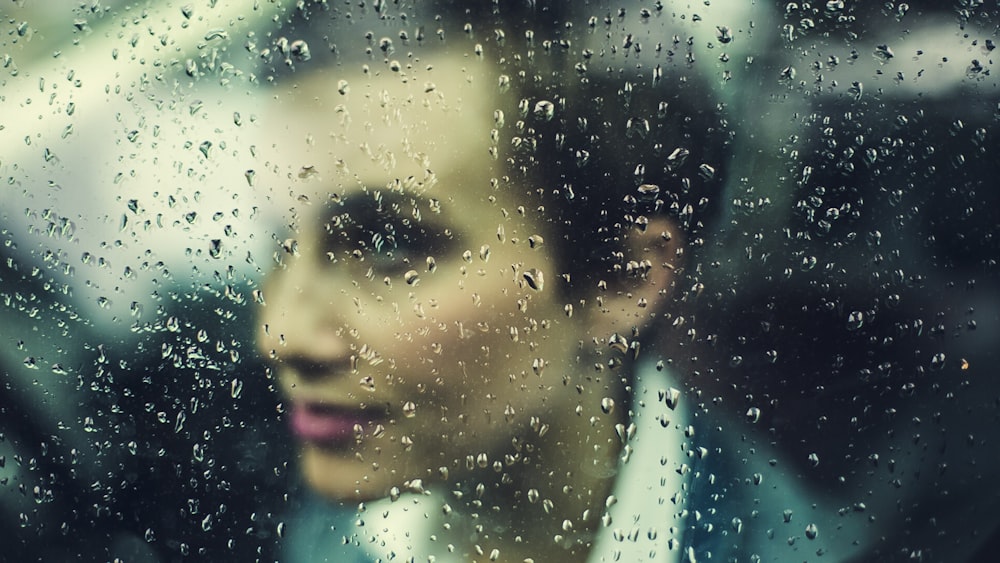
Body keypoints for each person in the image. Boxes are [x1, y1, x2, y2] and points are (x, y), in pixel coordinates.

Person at [252, 19, 873, 560]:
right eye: (281, 241)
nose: (279, 333)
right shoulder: (351, 503)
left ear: (621, 279)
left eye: (390, 249)